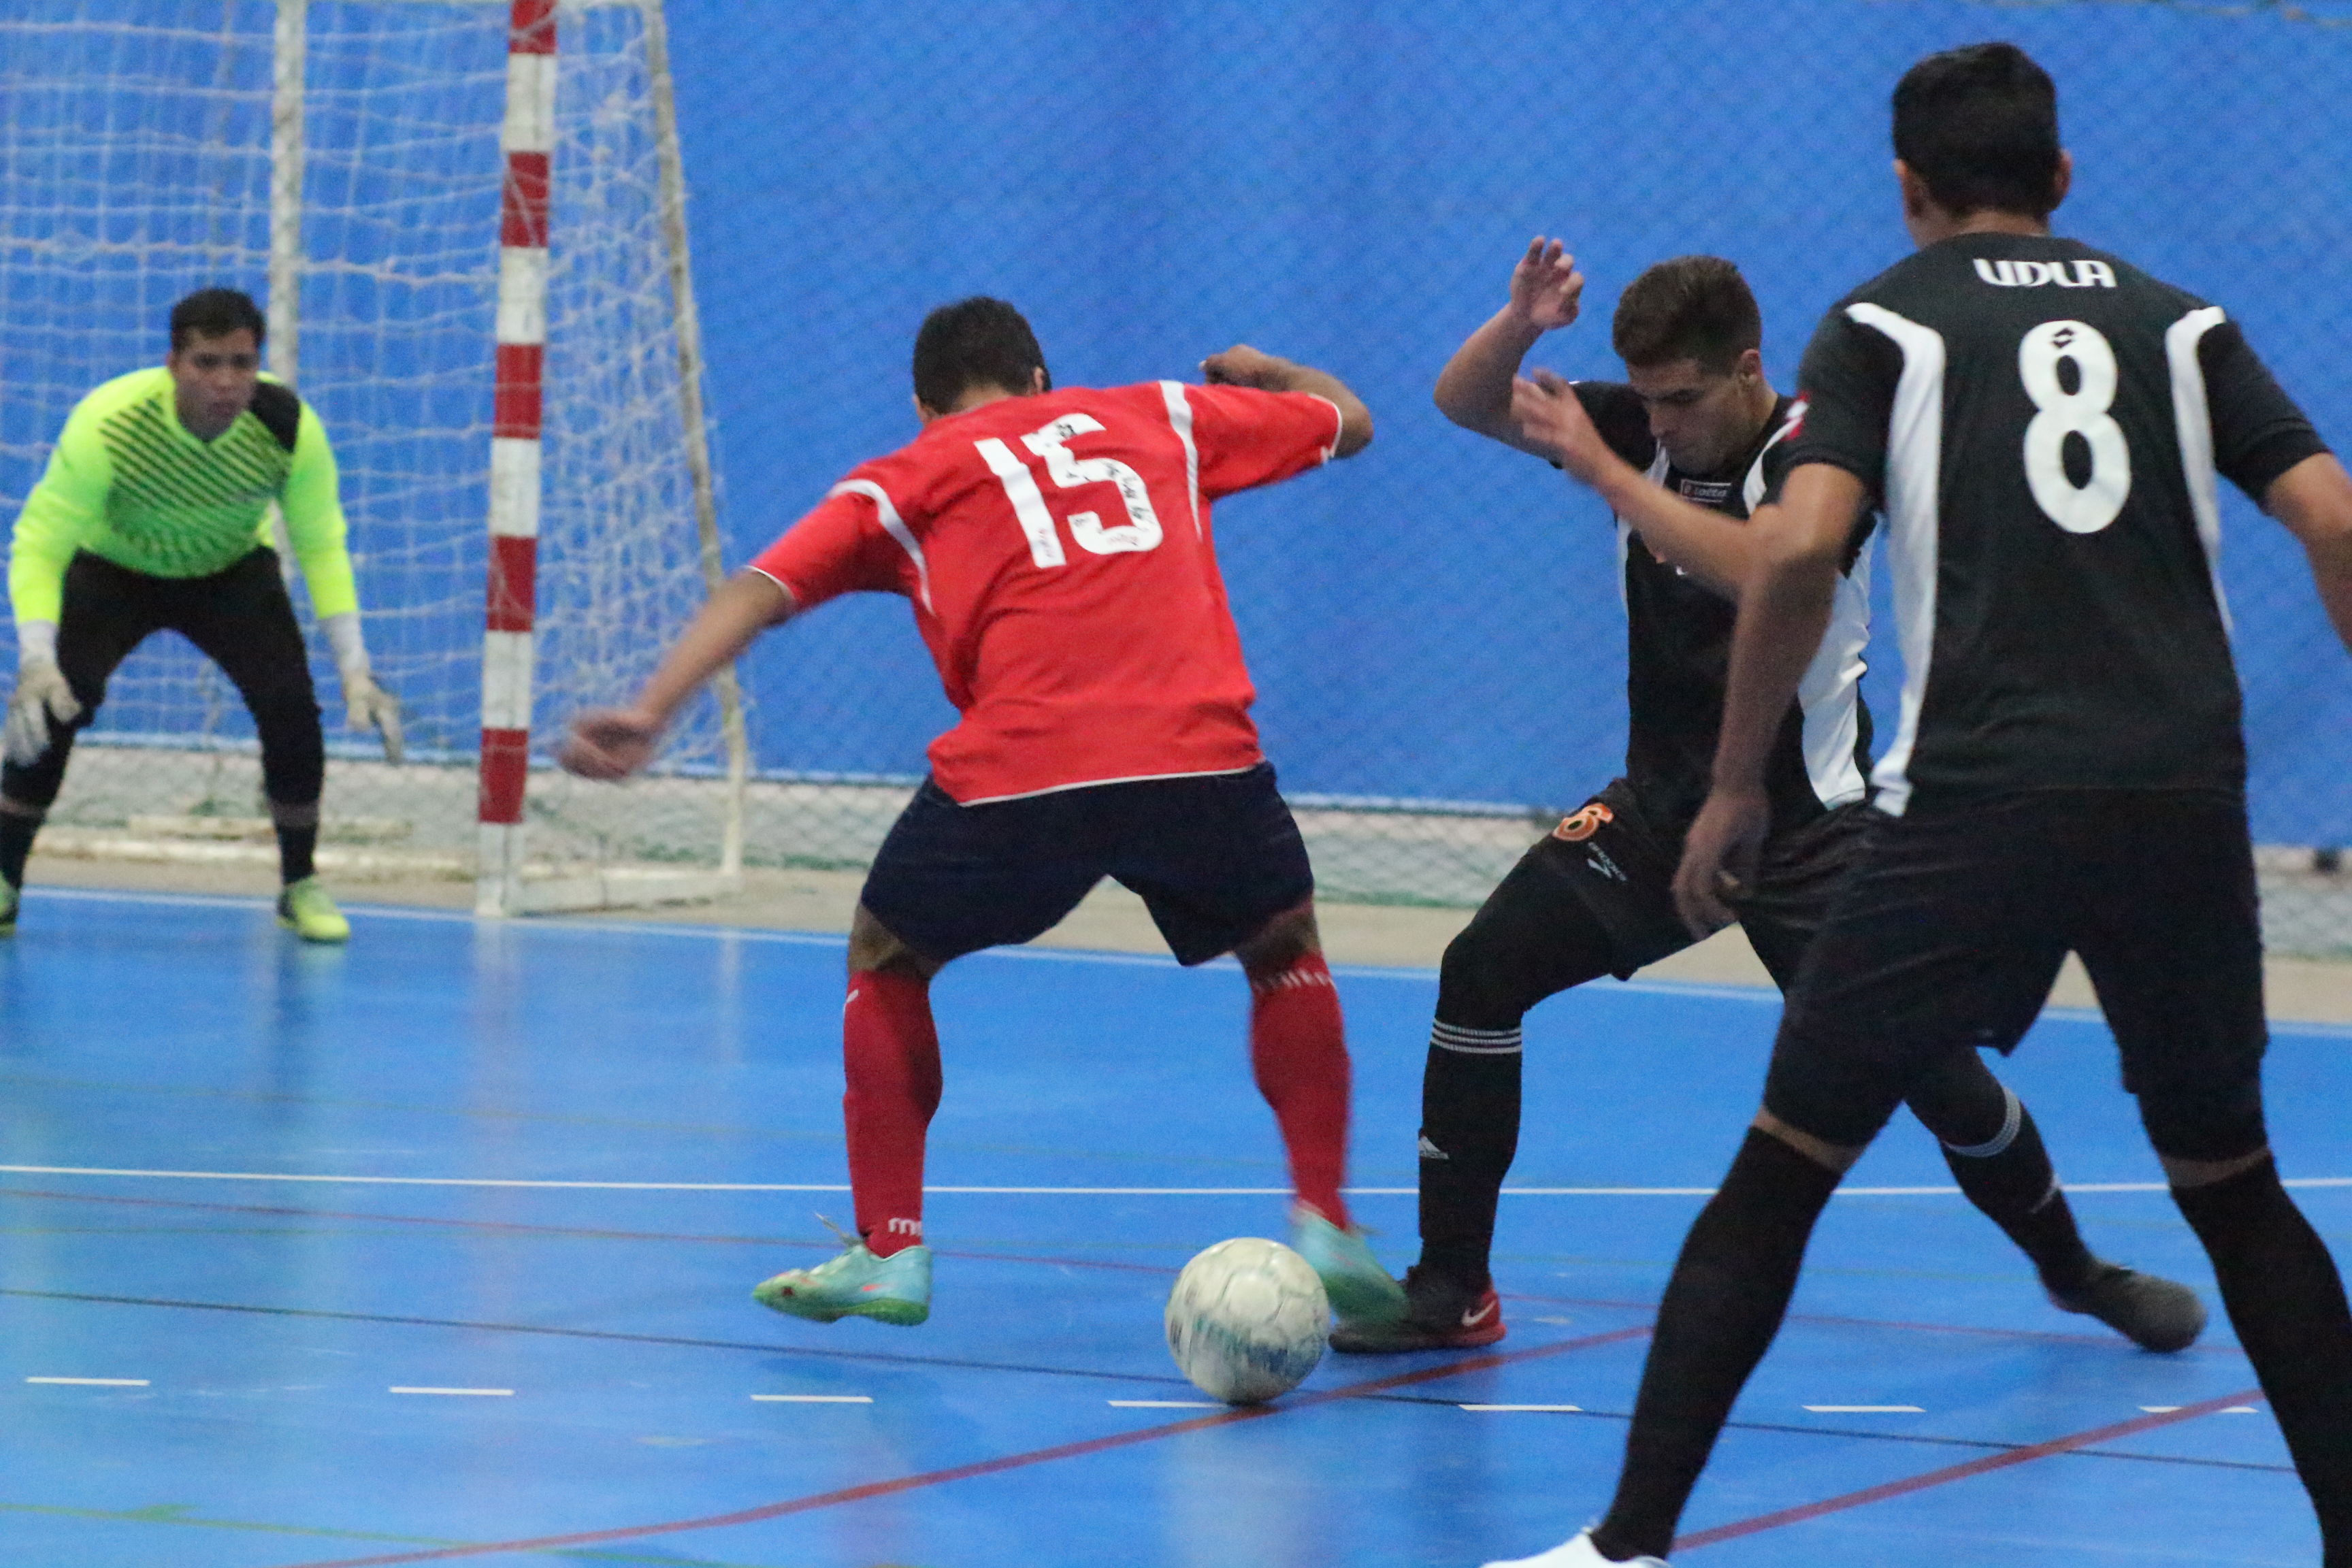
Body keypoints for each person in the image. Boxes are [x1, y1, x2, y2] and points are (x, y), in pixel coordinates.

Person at [1488, 44, 2352, 1568]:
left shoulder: (1886, 324)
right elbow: (2332, 516)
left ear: (1906, 186)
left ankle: (1625, 1546)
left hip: (1981, 796)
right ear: (2062, 175)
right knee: (2234, 1183)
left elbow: (1796, 554)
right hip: (2178, 794)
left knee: (1784, 1162)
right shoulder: (2179, 321)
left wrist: (1736, 782)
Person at [1336, 241, 2199, 1359]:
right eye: (1646, 401)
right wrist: (1521, 326)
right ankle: (1453, 1286)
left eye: (1681, 401)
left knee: (1933, 1075)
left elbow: (1771, 573)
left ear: (1747, 367)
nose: (1663, 422)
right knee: (1480, 971)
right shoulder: (1640, 431)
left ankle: (2076, 1271)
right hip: (1663, 815)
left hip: (1812, 835)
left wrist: (1611, 476)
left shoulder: (1818, 455)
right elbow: (1464, 401)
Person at [559, 296, 1407, 1333]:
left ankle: (890, 1251)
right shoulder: (1162, 414)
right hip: (1197, 752)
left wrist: (653, 709)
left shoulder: (906, 476)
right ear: (1042, 379)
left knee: (887, 955)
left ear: (925, 406)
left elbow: (761, 586)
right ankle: (1324, 1218)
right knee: (1280, 948)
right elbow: (1351, 419)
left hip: (1025, 767)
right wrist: (1267, 369)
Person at [2, 288, 402, 943]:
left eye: (242, 363)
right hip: (114, 571)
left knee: (292, 709)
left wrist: (356, 670)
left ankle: (299, 882)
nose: (225, 382)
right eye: (206, 363)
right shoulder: (109, 423)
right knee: (54, 708)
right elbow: (39, 546)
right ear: (173, 365)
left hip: (230, 572)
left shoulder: (287, 426)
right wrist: (38, 659)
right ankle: (5, 879)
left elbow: (322, 546)